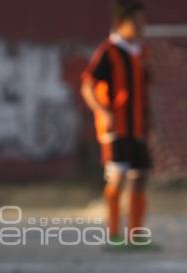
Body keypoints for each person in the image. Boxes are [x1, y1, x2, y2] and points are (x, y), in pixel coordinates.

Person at [81, 0, 152, 246]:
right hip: (115, 128)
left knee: (140, 176)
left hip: (137, 126)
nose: (141, 25)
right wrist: (104, 112)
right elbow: (87, 85)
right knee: (117, 177)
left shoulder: (139, 52)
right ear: (121, 23)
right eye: (136, 21)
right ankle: (113, 234)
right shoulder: (108, 51)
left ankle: (136, 235)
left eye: (142, 20)